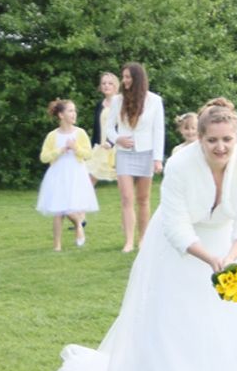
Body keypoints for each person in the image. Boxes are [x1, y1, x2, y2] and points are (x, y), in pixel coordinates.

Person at [53, 98, 237, 371]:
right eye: (212, 140)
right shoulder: (179, 165)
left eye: (227, 139)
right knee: (178, 320)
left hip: (231, 246)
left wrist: (230, 256)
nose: (221, 147)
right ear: (200, 138)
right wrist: (209, 259)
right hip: (180, 248)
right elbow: (175, 226)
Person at [106, 62, 165, 253]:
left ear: (138, 78)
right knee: (126, 197)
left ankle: (143, 240)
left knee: (143, 199)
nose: (124, 80)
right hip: (124, 154)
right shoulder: (117, 100)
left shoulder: (155, 100)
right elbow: (109, 127)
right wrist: (118, 139)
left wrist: (157, 158)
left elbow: (159, 130)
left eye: (128, 77)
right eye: (123, 77)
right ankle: (129, 241)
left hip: (146, 153)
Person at [36, 99, 99, 251]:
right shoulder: (52, 136)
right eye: (70, 111)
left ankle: (78, 225)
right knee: (58, 211)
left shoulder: (80, 133)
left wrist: (75, 147)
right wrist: (60, 150)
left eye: (74, 110)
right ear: (61, 115)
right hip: (58, 175)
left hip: (76, 173)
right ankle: (57, 245)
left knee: (71, 208)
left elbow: (88, 154)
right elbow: (44, 157)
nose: (74, 114)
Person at [86, 72, 120, 185]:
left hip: (117, 147)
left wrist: (111, 142)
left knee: (123, 181)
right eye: (104, 83)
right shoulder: (99, 105)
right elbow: (96, 129)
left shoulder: (121, 103)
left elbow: (122, 127)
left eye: (110, 83)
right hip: (100, 147)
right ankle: (85, 203)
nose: (106, 85)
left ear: (116, 86)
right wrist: (92, 148)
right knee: (89, 180)